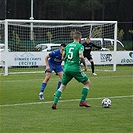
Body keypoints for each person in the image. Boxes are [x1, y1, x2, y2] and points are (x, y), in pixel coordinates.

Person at [52, 31, 91, 109]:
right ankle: (82, 101)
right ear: (80, 38)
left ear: (73, 37)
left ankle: (54, 103)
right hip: (75, 69)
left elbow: (63, 56)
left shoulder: (68, 46)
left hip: (66, 69)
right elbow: (81, 56)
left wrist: (67, 60)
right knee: (87, 83)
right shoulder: (80, 46)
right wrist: (85, 66)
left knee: (62, 86)